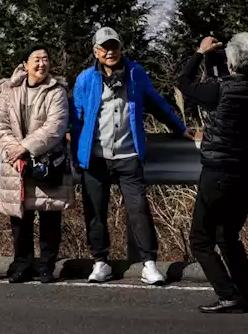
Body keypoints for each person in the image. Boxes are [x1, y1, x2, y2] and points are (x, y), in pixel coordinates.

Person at [71, 26, 193, 285]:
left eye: (114, 46)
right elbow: (77, 120)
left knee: (139, 209)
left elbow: (157, 103)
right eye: (104, 47)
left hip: (128, 154)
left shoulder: (135, 73)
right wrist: (77, 157)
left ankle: (149, 264)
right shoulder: (85, 80)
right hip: (95, 157)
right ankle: (100, 262)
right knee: (95, 212)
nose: (110, 52)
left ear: (121, 48)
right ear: (95, 51)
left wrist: (179, 128)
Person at [177, 33, 248, 314]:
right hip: (245, 175)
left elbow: (184, 83)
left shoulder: (217, 91)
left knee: (201, 240)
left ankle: (228, 294)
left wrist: (200, 53)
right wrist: (241, 66)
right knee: (228, 236)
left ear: (231, 61)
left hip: (217, 173)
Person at [0, 44, 74, 284]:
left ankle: (47, 265)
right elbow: (0, 123)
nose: (42, 64)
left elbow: (55, 126)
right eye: (36, 59)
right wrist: (13, 152)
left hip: (47, 161)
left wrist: (24, 148)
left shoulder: (56, 90)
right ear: (24, 65)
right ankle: (22, 263)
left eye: (45, 59)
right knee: (19, 218)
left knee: (49, 216)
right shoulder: (9, 90)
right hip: (15, 163)